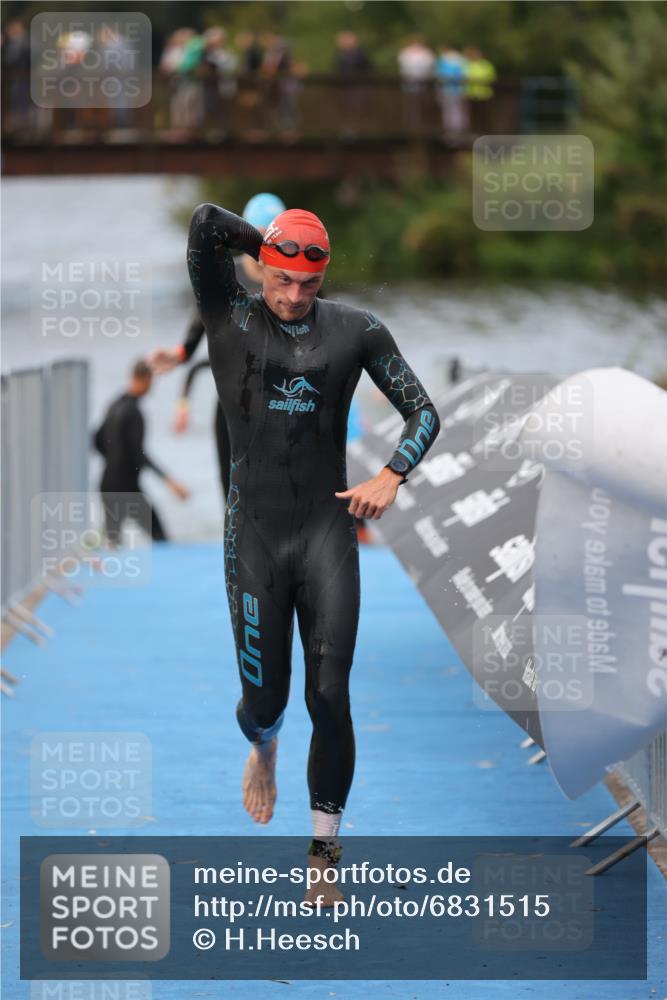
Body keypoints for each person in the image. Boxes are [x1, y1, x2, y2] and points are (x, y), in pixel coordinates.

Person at [187, 201, 440, 903]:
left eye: (309, 284)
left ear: (324, 278)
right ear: (262, 268)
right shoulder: (227, 318)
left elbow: (424, 411)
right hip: (256, 537)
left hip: (326, 533)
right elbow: (206, 223)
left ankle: (324, 849)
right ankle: (262, 749)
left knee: (329, 697)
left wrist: (391, 475)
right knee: (264, 702)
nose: (295, 297)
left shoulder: (357, 330)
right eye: (282, 280)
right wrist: (267, 238)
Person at [149, 193, 287, 503]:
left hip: (281, 402)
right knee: (233, 495)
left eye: (272, 238)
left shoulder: (296, 280)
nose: (263, 247)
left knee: (277, 494)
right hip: (232, 402)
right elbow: (201, 321)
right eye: (258, 236)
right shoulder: (229, 275)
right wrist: (180, 353)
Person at [93, 359, 189, 545]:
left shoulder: (114, 405)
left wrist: (114, 461)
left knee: (113, 541)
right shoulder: (134, 413)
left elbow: (97, 440)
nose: (151, 387)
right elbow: (138, 454)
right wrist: (170, 481)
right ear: (145, 379)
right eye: (151, 381)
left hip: (107, 483)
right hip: (128, 489)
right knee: (160, 538)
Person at [435, 44, 469, 139]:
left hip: (446, 89)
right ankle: (460, 132)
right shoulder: (462, 59)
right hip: (459, 90)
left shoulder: (443, 60)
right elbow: (465, 75)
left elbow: (439, 75)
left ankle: (450, 133)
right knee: (459, 111)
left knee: (448, 112)